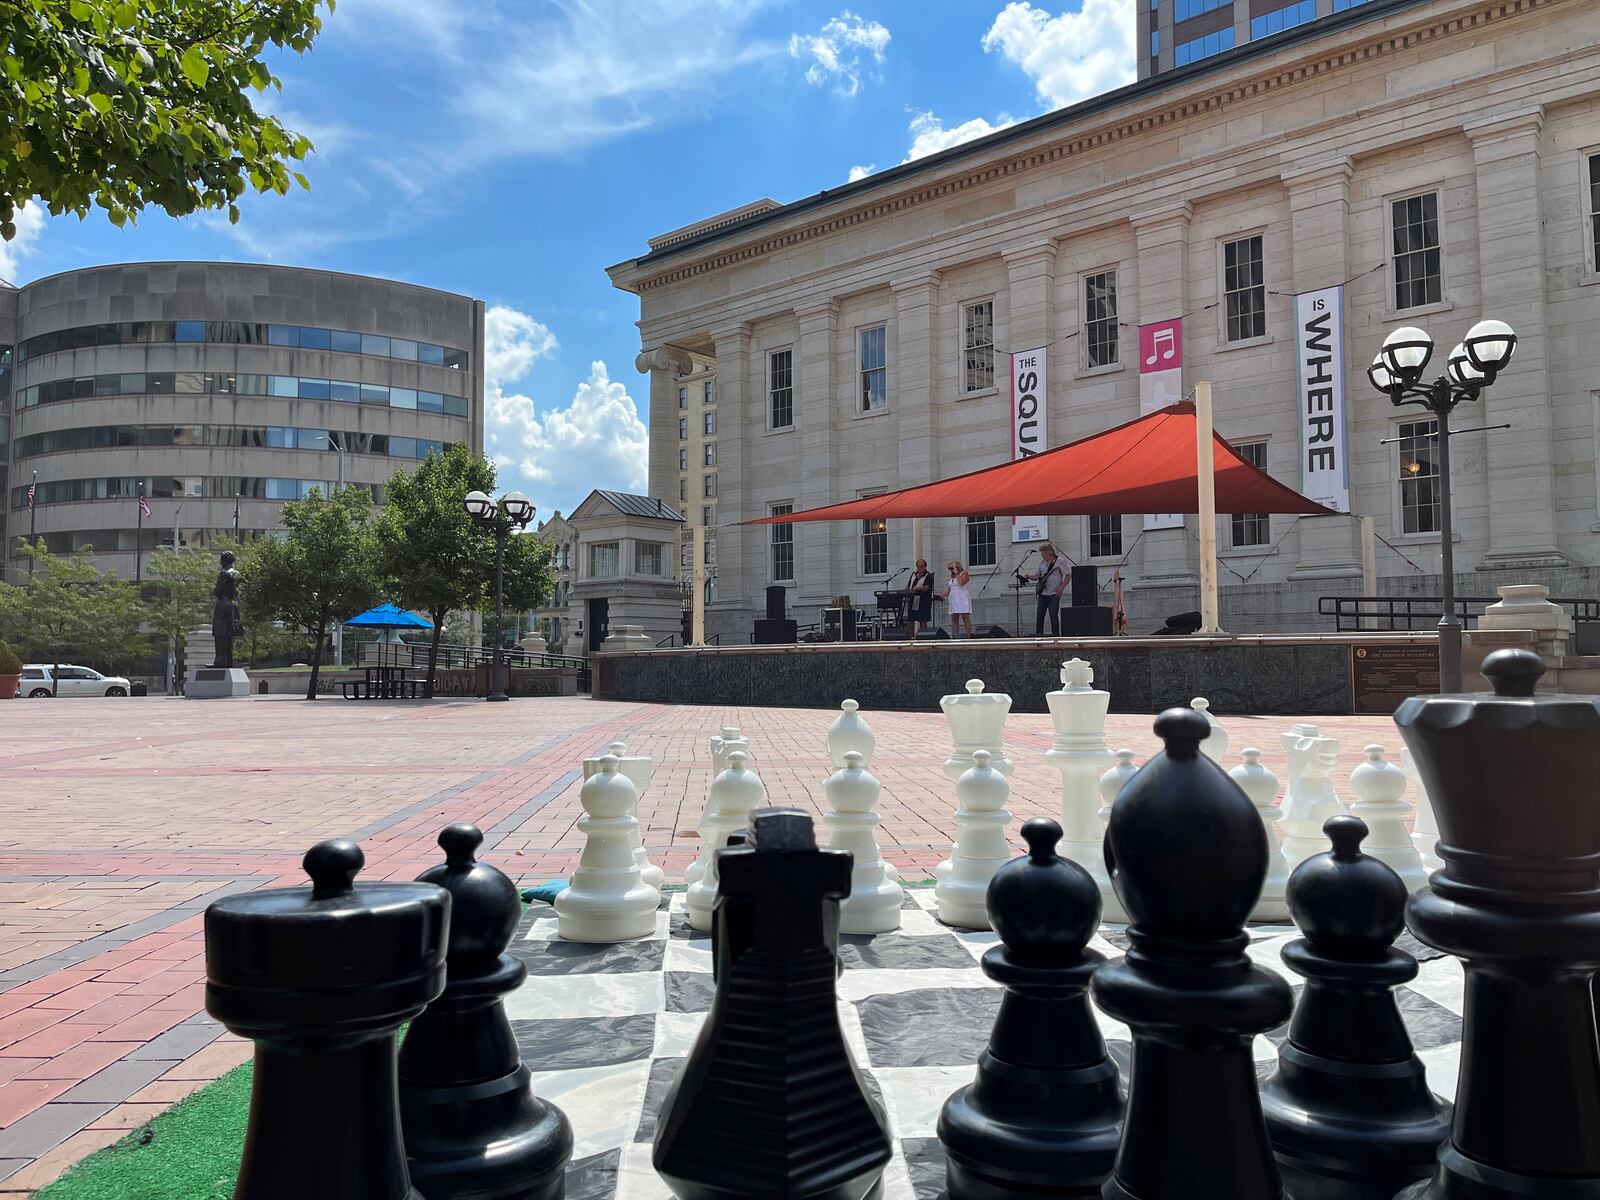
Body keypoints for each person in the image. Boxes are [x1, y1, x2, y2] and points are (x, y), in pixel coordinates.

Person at [1025, 543, 1069, 636]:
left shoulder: (1059, 561)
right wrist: (1029, 576)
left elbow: (1068, 575)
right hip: (1043, 593)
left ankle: (1056, 634)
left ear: (1048, 552)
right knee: (1040, 614)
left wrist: (1061, 588)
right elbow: (1037, 576)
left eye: (1043, 552)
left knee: (1053, 614)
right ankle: (1039, 633)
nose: (1041, 555)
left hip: (1054, 593)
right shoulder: (1042, 563)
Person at [942, 560, 973, 638]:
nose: (951, 570)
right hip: (954, 598)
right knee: (954, 619)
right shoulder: (952, 577)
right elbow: (948, 590)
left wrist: (957, 573)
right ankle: (955, 636)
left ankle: (968, 636)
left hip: (962, 597)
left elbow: (961, 583)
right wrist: (941, 595)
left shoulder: (964, 573)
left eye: (952, 568)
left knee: (965, 617)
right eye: (950, 569)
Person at [907, 558, 935, 638]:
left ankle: (924, 637)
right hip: (913, 599)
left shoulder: (928, 575)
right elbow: (909, 585)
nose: (920, 568)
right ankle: (910, 638)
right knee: (910, 619)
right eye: (918, 566)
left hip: (923, 601)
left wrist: (918, 588)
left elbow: (927, 587)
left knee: (922, 619)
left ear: (925, 566)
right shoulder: (913, 574)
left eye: (922, 566)